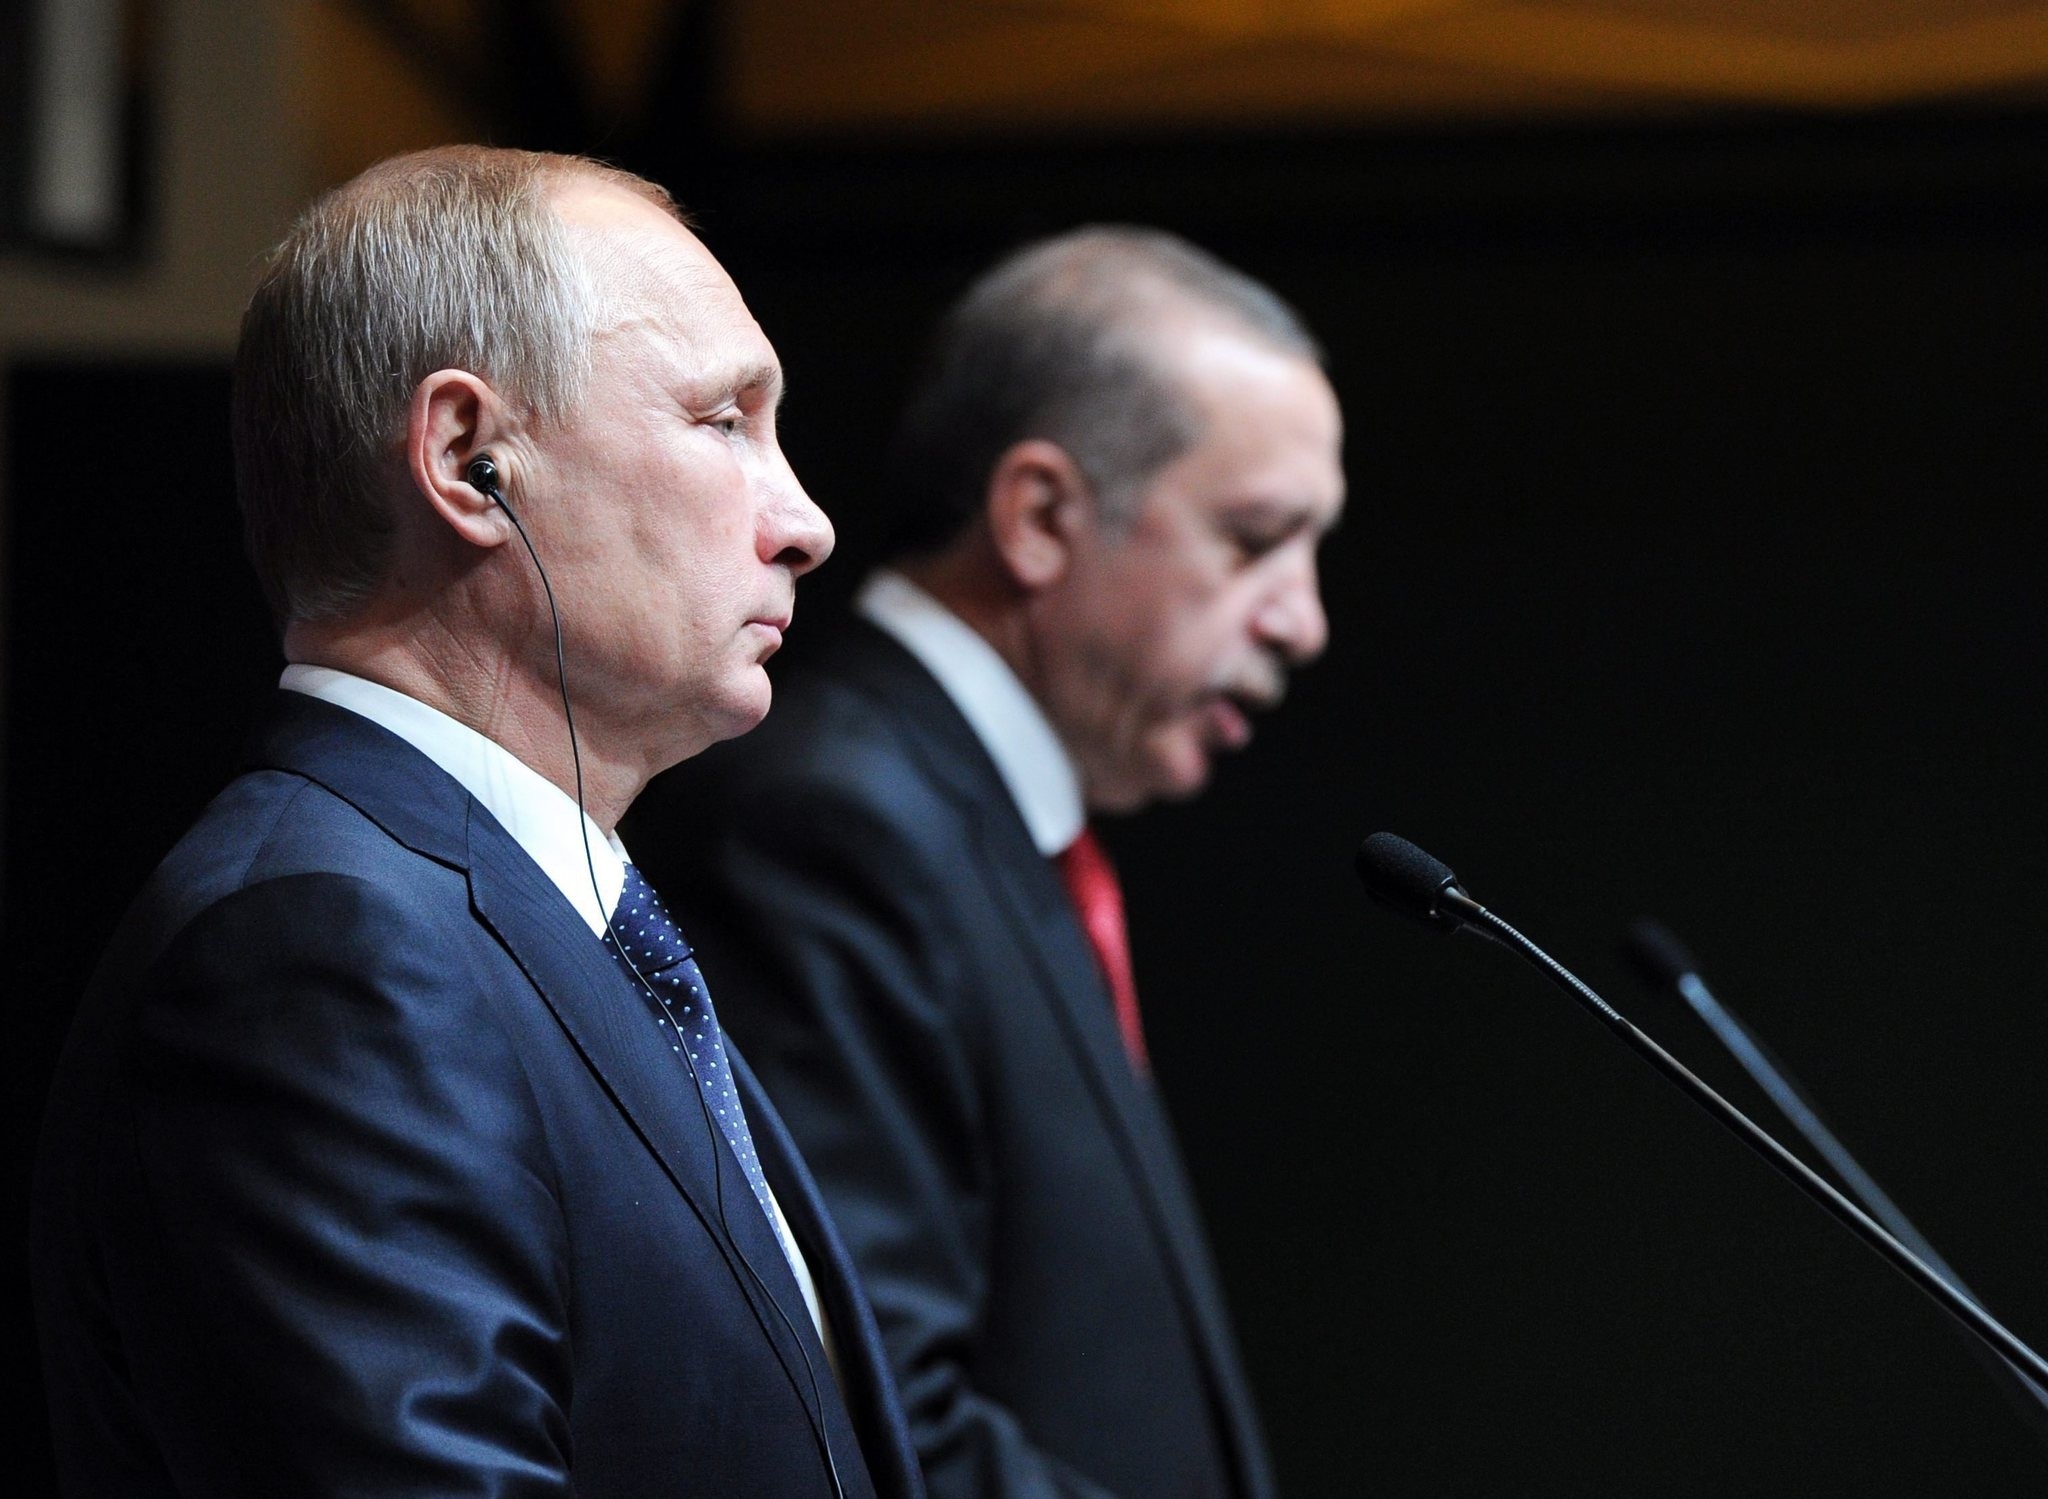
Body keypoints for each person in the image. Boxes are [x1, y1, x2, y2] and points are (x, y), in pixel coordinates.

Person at [31, 146, 924, 1499]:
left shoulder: (543, 922)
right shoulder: (322, 946)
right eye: (723, 421)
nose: (806, 520)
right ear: (468, 458)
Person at [626, 227, 1345, 1499]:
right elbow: (875, 1405)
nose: (1302, 619)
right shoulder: (830, 823)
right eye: (1253, 539)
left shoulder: (989, 820)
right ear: (1040, 516)